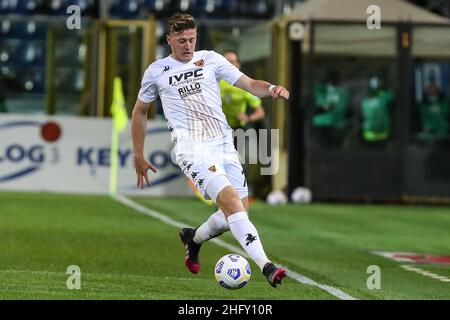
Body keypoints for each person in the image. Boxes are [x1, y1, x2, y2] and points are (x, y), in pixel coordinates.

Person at [131, 13, 289, 288]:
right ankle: (267, 266)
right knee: (230, 203)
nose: (188, 45)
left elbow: (250, 84)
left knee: (237, 215)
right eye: (181, 40)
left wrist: (272, 87)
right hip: (192, 149)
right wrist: (138, 153)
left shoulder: (212, 59)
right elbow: (140, 112)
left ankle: (194, 238)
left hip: (224, 144)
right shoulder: (157, 71)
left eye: (192, 39)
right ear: (169, 40)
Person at [220, 50, 265, 131]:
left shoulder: (245, 84)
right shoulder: (214, 81)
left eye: (232, 62)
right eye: (226, 61)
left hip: (236, 129)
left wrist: (248, 118)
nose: (229, 65)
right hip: (216, 128)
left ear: (238, 65)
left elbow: (260, 112)